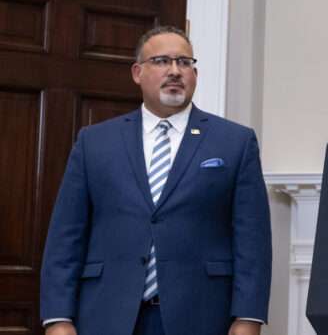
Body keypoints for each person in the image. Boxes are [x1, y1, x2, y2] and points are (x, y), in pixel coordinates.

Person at [40, 26, 271, 335]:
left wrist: (248, 317)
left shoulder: (234, 142)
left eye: (184, 62)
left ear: (195, 74)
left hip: (201, 315)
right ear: (138, 72)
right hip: (107, 315)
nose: (175, 71)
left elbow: (252, 239)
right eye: (162, 61)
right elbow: (66, 236)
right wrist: (57, 318)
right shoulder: (95, 142)